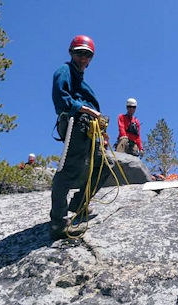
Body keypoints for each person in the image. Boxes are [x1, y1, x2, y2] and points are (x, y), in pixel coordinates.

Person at [50, 35, 111, 240]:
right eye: (80, 53)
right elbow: (61, 98)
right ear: (71, 53)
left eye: (87, 55)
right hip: (76, 124)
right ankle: (58, 223)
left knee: (104, 164)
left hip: (89, 128)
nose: (83, 58)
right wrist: (85, 109)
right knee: (69, 170)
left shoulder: (81, 80)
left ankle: (78, 204)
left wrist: (101, 129)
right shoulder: (64, 71)